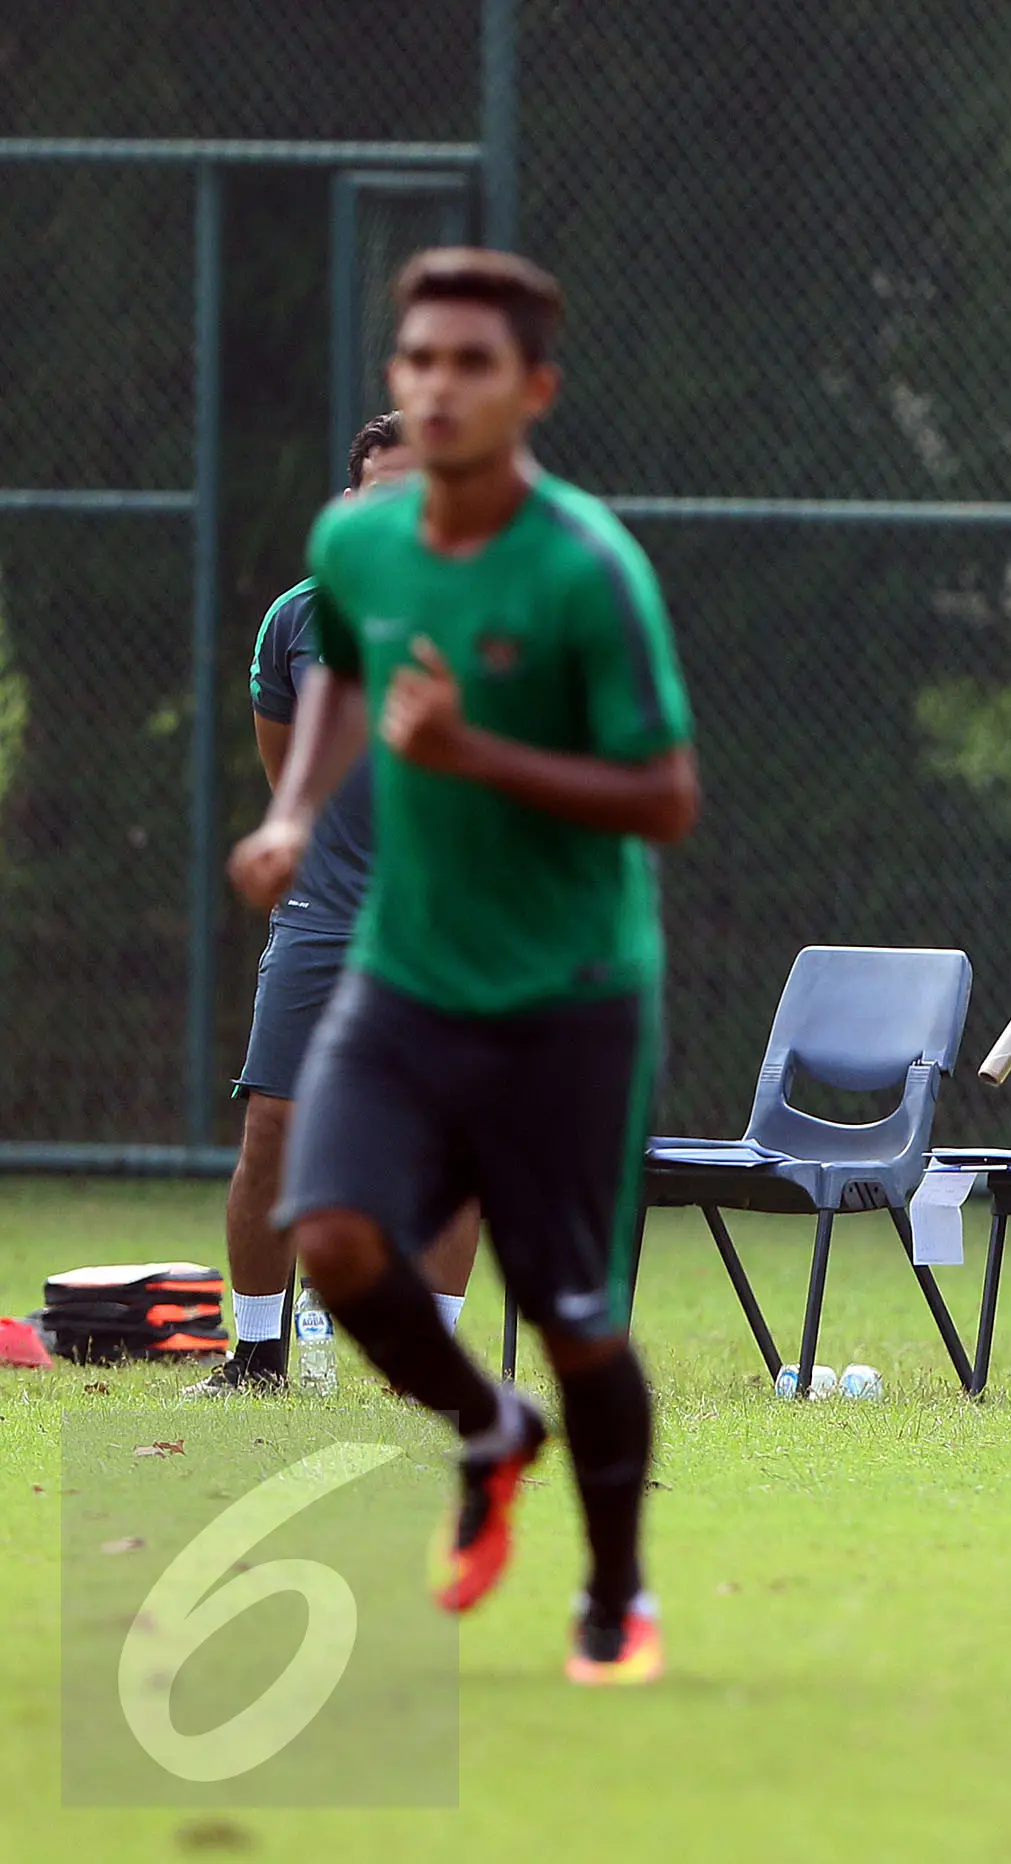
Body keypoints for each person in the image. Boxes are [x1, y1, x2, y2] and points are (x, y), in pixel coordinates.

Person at [227, 248, 702, 1682]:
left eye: (470, 364)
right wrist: (296, 809)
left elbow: (667, 799)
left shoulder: (585, 567)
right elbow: (345, 680)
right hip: (405, 964)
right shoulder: (356, 545)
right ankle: (489, 1429)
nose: (437, 385)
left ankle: (614, 1591)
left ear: (532, 390)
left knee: (575, 1318)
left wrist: (473, 753)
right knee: (333, 1230)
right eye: (416, 360)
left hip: (567, 988)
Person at [192, 414, 482, 1398]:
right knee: (272, 1125)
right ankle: (257, 1356)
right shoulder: (297, 619)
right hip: (322, 911)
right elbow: (288, 768)